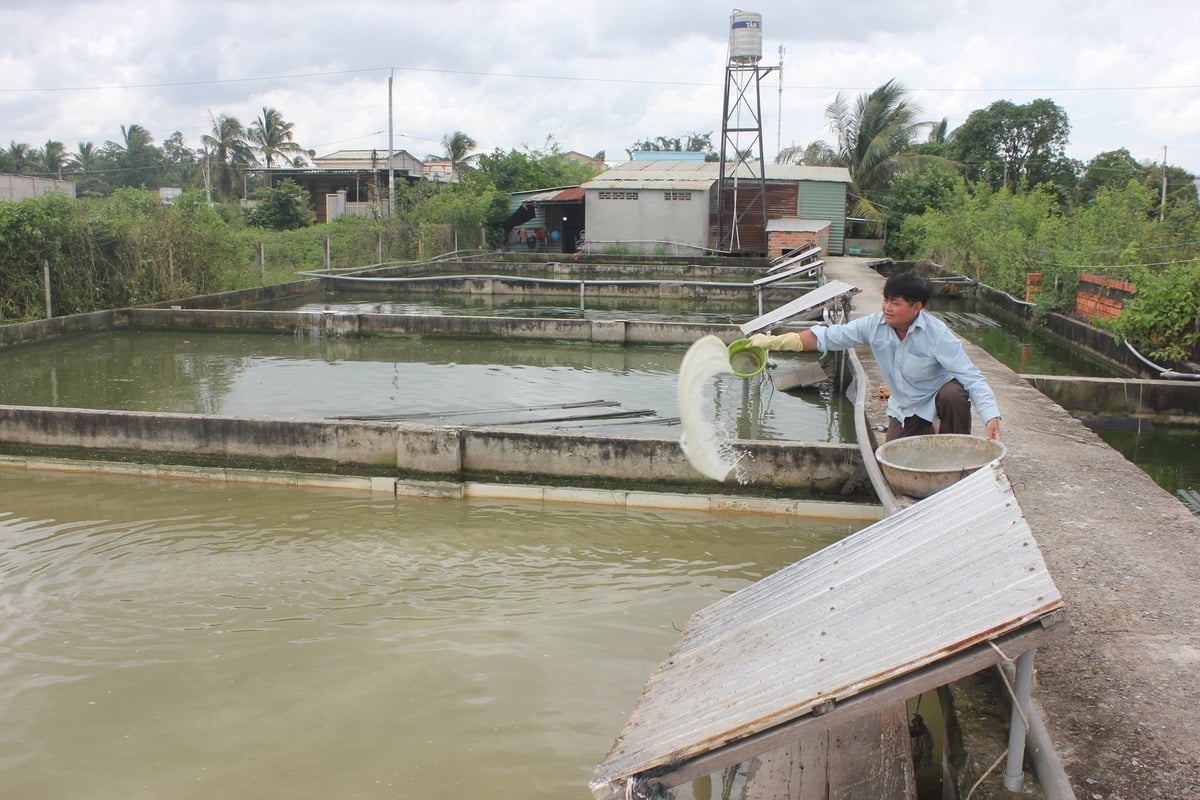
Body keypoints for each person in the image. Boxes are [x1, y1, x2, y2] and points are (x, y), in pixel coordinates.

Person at [749, 272, 1002, 442]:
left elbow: (972, 377)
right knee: (894, 458)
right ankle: (931, 427)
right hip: (905, 406)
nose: (887, 308)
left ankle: (958, 453)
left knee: (954, 395)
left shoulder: (936, 335)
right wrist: (778, 341)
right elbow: (828, 336)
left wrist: (991, 417)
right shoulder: (874, 326)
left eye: (896, 303)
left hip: (935, 396)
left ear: (917, 308)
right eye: (885, 300)